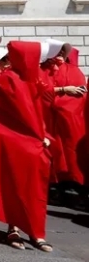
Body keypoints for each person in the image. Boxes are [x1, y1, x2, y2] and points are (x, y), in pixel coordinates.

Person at [0, 41, 53, 252]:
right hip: (13, 142)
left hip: (32, 141)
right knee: (13, 187)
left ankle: (36, 231)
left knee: (34, 188)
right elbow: (5, 112)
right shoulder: (8, 79)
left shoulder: (33, 78)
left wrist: (43, 133)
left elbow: (38, 111)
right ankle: (13, 228)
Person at [39, 39, 86, 192]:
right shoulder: (42, 70)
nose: (60, 54)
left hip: (69, 120)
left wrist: (59, 103)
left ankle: (74, 182)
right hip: (49, 120)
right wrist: (61, 91)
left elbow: (80, 95)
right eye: (57, 51)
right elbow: (39, 92)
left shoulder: (73, 70)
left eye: (62, 51)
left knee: (71, 151)